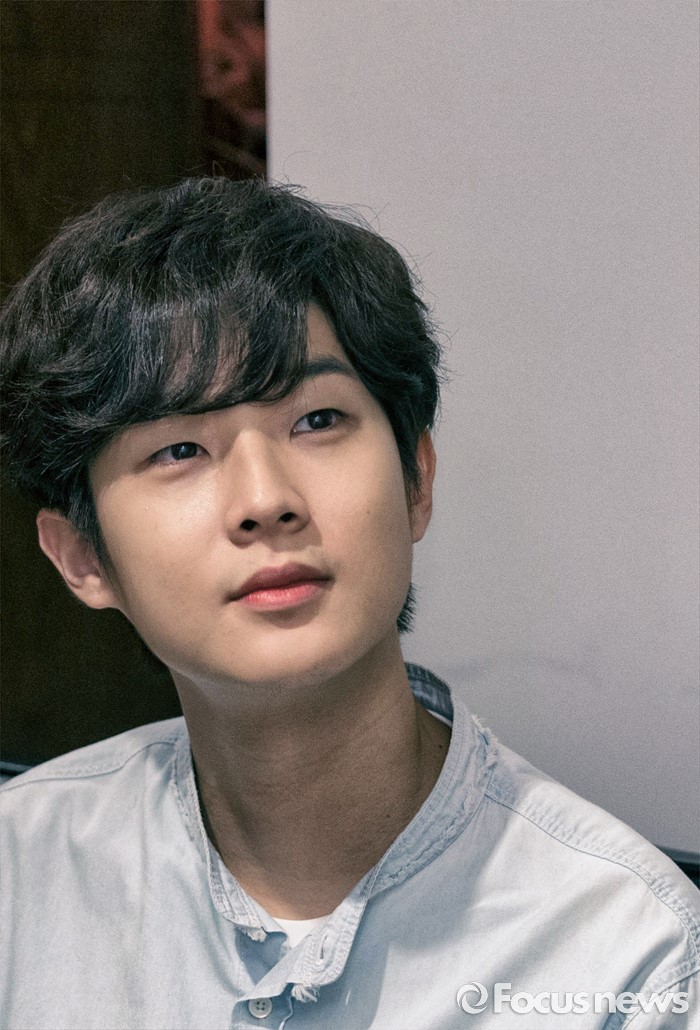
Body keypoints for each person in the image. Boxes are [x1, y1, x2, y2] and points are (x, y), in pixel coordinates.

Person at [0, 177, 697, 1030]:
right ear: (81, 556)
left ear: (416, 481)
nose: (266, 500)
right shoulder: (20, 875)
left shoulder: (632, 956)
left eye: (317, 421)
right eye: (179, 448)